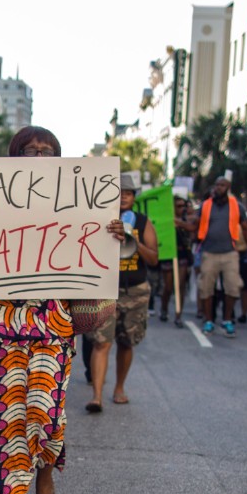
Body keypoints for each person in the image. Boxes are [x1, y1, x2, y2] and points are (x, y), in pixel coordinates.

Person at [0, 126, 122, 494]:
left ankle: (45, 479)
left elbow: (95, 261)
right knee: (2, 420)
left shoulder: (75, 207)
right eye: (28, 150)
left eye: (48, 151)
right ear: (12, 158)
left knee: (45, 416)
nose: (38, 156)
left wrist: (111, 238)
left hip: (50, 325)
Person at [87, 174, 160, 412]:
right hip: (106, 288)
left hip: (135, 290)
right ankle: (96, 395)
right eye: (119, 193)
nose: (124, 197)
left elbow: (154, 258)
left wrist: (133, 241)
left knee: (126, 343)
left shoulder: (142, 221)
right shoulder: (100, 219)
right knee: (101, 342)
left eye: (128, 193)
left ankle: (119, 387)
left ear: (134, 197)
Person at [196, 172, 247, 336]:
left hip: (230, 253)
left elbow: (246, 228)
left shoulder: (237, 206)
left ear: (228, 188)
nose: (218, 188)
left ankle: (227, 320)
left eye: (222, 185)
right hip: (209, 252)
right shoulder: (206, 205)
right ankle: (208, 321)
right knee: (207, 287)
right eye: (216, 185)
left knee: (233, 286)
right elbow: (195, 224)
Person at [164, 194, 196, 327]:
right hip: (168, 254)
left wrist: (178, 222)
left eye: (183, 206)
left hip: (182, 254)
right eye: (178, 206)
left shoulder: (186, 219)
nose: (182, 208)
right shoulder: (165, 219)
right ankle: (164, 309)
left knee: (180, 286)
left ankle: (178, 314)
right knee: (168, 286)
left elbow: (193, 228)